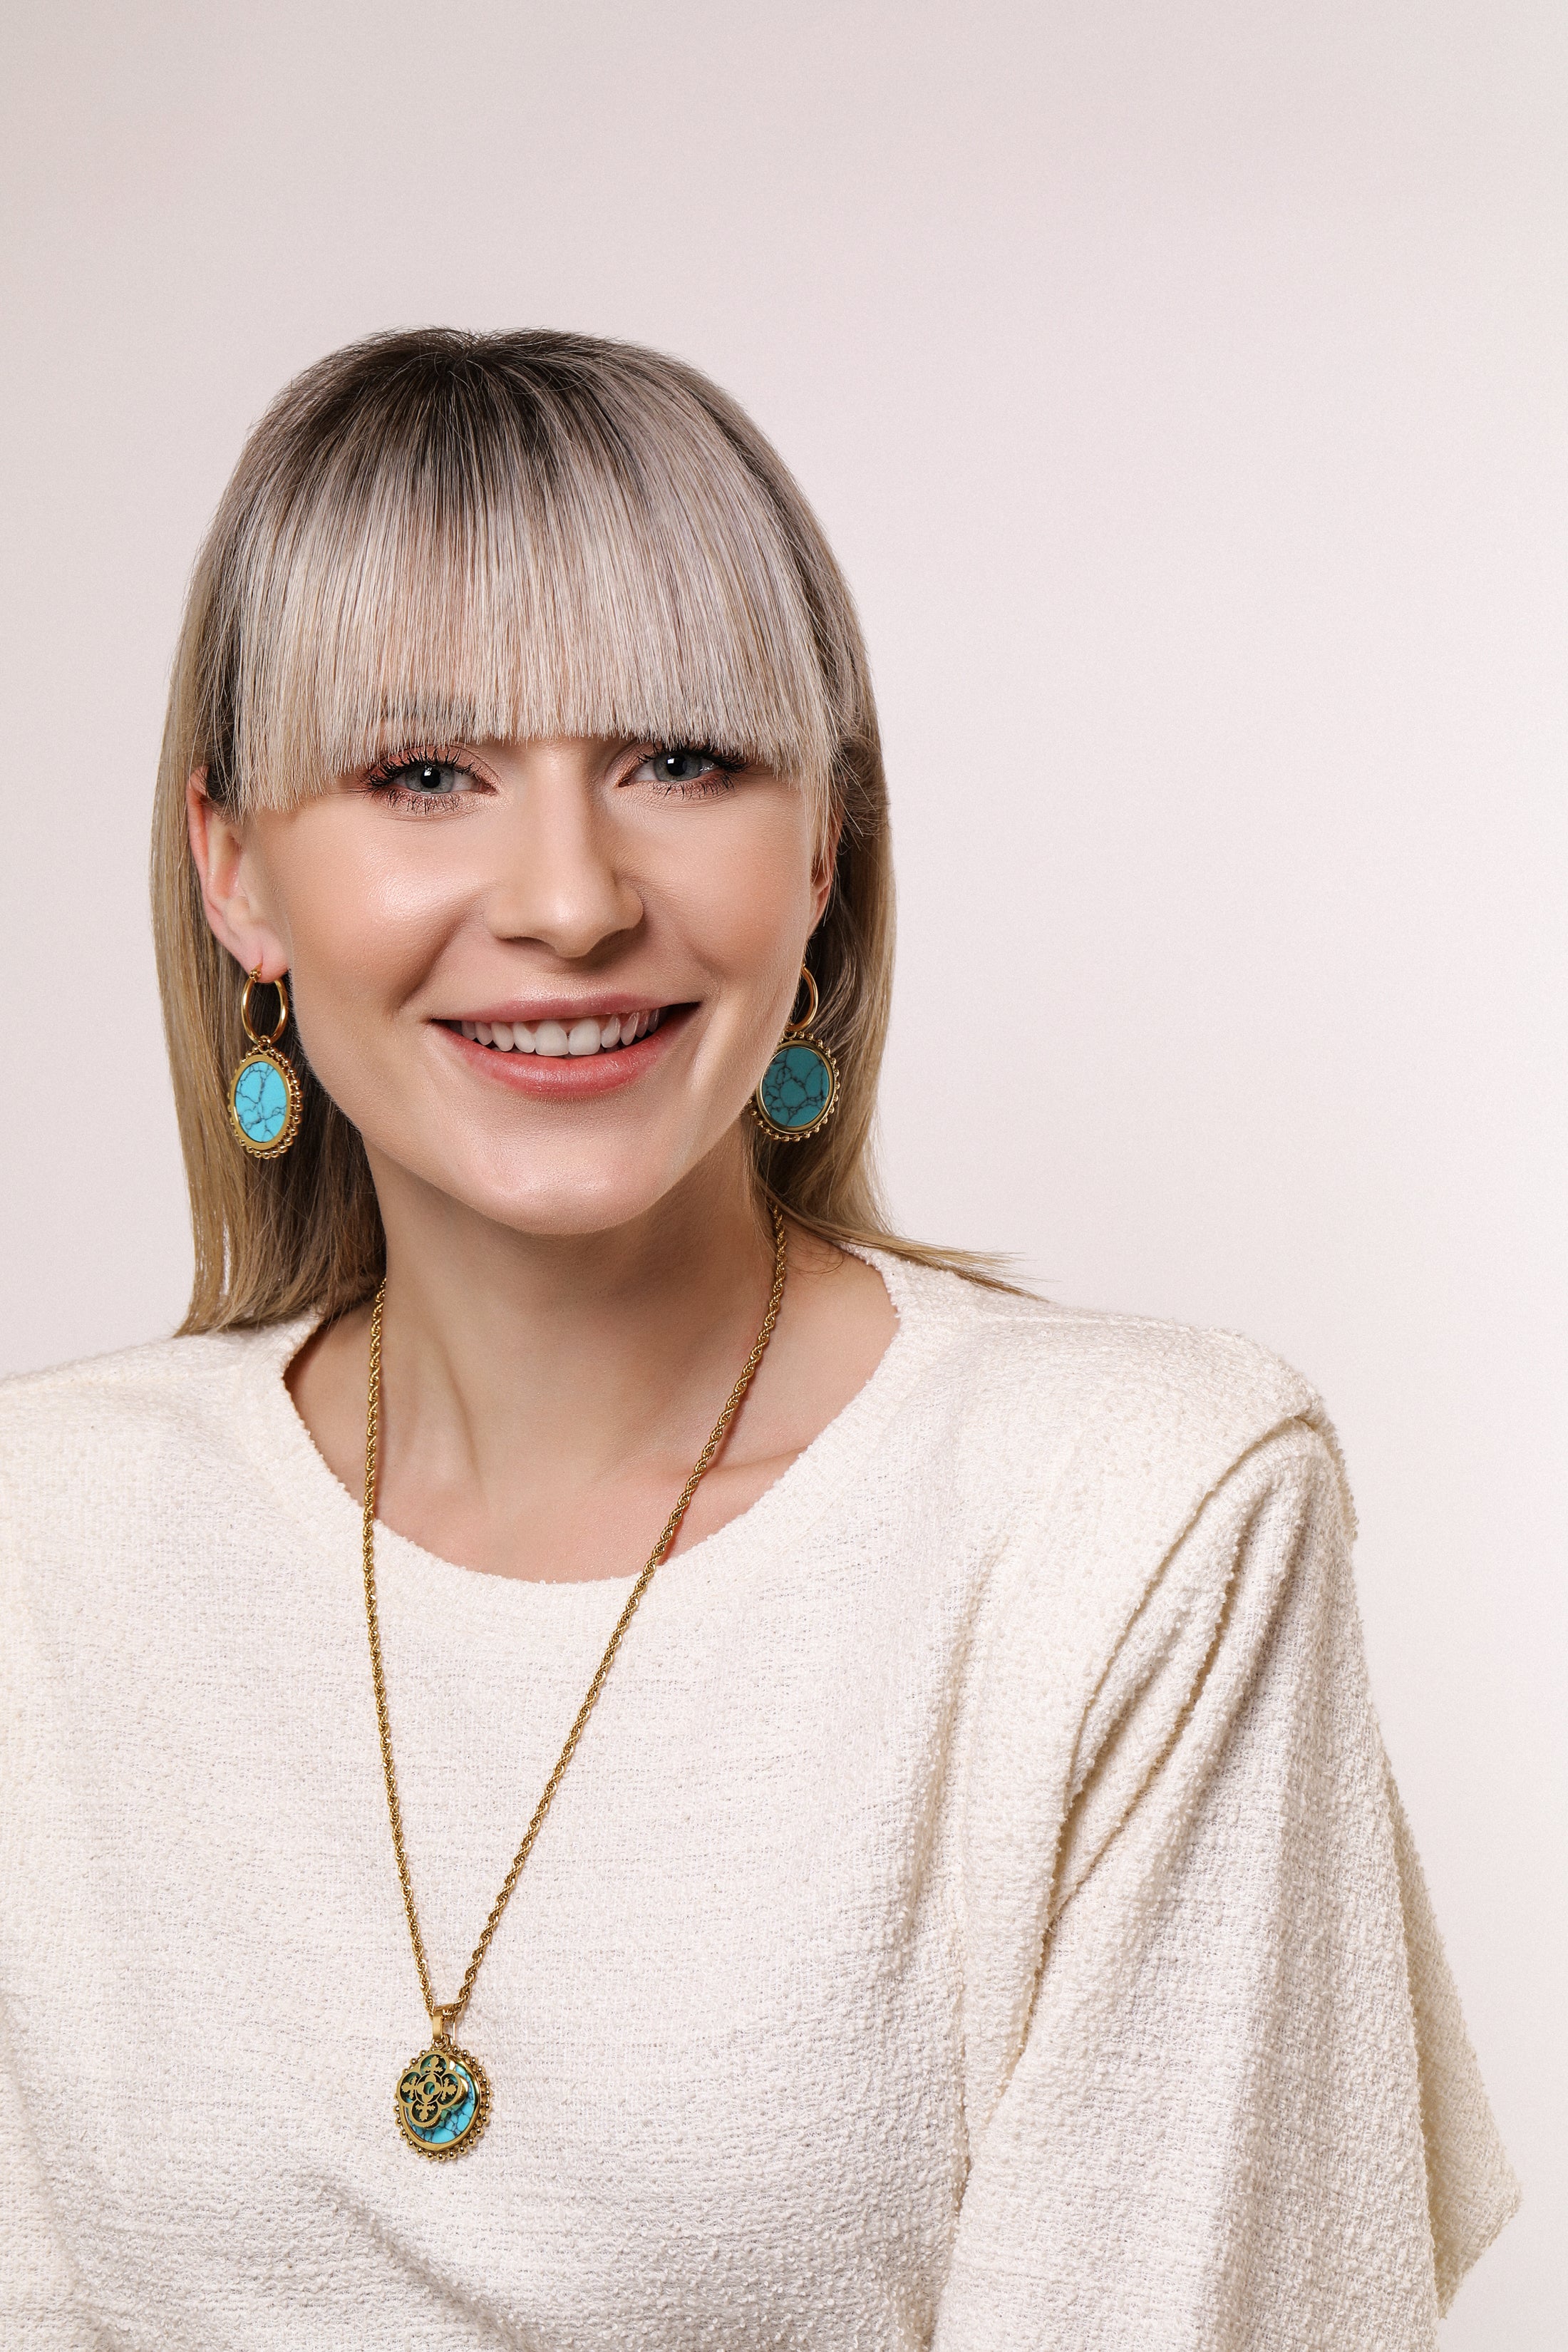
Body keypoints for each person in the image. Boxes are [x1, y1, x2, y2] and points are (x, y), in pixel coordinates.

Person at [0, 329, 1517, 2348]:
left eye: (681, 761)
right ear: (235, 870)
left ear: (822, 849)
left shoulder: (1136, 1522)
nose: (568, 900)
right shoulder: (45, 1544)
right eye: (426, 775)